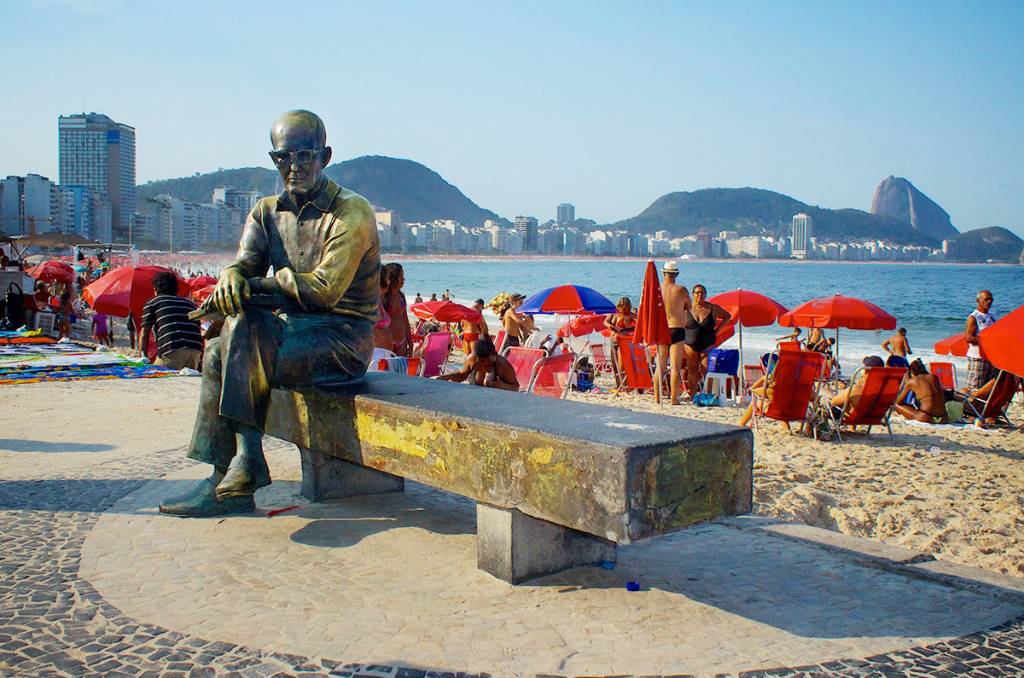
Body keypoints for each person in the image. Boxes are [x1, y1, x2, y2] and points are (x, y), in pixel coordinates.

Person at [159, 110, 380, 518]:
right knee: (216, 350)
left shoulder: (352, 212)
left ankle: (243, 465)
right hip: (285, 332)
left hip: (341, 338)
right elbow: (244, 264)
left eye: (304, 156)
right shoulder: (265, 211)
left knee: (234, 337)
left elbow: (324, 290)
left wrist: (260, 285)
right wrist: (230, 277)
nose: (293, 167)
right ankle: (230, 474)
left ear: (325, 156)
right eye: (283, 158)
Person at [139, 271, 204, 370]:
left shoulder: (154, 302)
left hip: (172, 349)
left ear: (155, 289)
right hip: (195, 350)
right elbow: (196, 329)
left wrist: (142, 357)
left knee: (157, 379)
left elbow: (144, 333)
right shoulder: (190, 304)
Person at [682, 284, 731, 396]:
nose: (700, 295)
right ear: (693, 294)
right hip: (690, 344)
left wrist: (717, 331)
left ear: (705, 294)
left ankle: (708, 395)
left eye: (702, 293)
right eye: (697, 293)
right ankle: (693, 395)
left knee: (707, 371)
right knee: (692, 371)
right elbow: (677, 321)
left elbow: (727, 316)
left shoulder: (712, 308)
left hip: (707, 345)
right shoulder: (687, 309)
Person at [661, 261, 691, 404]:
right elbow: (689, 307)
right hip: (677, 328)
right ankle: (673, 398)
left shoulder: (656, 289)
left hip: (662, 329)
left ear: (663, 273)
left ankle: (657, 397)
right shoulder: (681, 290)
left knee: (659, 366)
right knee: (675, 367)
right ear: (677, 274)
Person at [438, 338, 519, 390]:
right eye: (482, 362)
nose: (486, 364)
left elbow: (516, 387)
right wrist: (448, 376)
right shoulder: (472, 359)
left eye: (489, 361)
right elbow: (461, 376)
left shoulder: (502, 365)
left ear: (495, 355)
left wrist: (503, 385)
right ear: (477, 358)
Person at [894, 359, 947, 424]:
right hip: (943, 417)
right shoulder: (934, 377)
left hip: (926, 416)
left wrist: (906, 382)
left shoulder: (912, 382)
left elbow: (898, 401)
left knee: (895, 404)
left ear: (912, 372)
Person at [964, 290, 997, 391]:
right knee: (974, 388)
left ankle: (982, 406)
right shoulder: (974, 317)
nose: (989, 302)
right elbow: (969, 338)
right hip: (978, 357)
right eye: (986, 299)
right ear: (978, 300)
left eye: (991, 299)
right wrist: (987, 341)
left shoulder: (992, 317)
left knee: (987, 389)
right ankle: (968, 406)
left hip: (990, 357)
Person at [604, 296, 637, 389]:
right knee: (614, 365)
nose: (625, 309)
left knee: (621, 366)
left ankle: (624, 385)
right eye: (623, 307)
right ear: (619, 306)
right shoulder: (614, 314)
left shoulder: (631, 315)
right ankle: (618, 384)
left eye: (627, 307)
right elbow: (605, 322)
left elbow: (640, 324)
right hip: (613, 342)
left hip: (623, 343)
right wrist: (612, 327)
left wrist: (626, 329)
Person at [382, 262, 413, 356]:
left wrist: (410, 343)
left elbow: (405, 320)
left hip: (402, 341)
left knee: (400, 370)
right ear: (393, 277)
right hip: (386, 342)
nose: (403, 279)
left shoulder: (401, 297)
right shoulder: (383, 298)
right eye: (401, 276)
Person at [373, 267, 393, 350]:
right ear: (381, 279)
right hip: (375, 352)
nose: (390, 281)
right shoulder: (371, 300)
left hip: (384, 352)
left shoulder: (379, 299)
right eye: (387, 278)